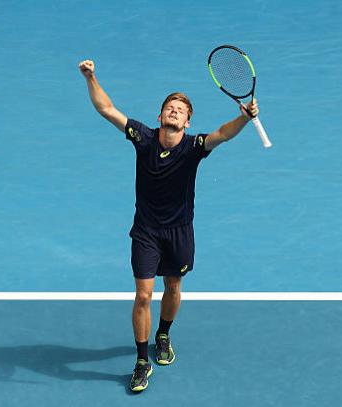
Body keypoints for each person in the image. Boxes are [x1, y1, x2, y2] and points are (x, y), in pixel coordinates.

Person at [78, 59, 259, 392]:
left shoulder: (194, 148)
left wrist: (244, 118)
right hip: (146, 231)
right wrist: (91, 77)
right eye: (169, 108)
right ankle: (141, 361)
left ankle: (163, 333)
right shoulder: (143, 138)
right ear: (160, 117)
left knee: (173, 287)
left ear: (188, 122)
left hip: (178, 231)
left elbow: (223, 134)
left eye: (180, 110)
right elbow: (106, 108)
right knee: (143, 296)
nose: (174, 111)